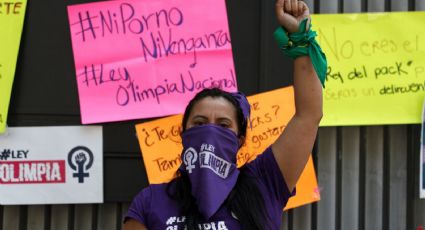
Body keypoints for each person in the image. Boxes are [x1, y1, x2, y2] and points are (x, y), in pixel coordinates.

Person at [124, 0, 324, 229]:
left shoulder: (265, 182)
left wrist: (300, 35)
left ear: (239, 139)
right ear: (184, 134)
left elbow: (309, 115)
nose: (210, 131)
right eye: (200, 123)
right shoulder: (149, 201)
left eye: (223, 125)